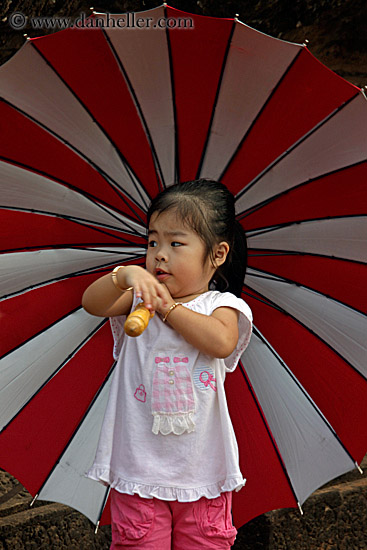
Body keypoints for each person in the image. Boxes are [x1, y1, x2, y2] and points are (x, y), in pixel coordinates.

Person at [82, 179, 252, 550]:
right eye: (152, 241)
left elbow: (221, 342)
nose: (160, 254)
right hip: (138, 471)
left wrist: (167, 307)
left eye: (176, 244)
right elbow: (92, 303)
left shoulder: (221, 306)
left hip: (203, 473)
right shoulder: (135, 300)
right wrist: (123, 276)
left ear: (218, 253)